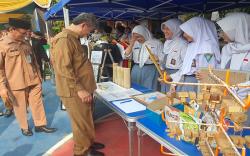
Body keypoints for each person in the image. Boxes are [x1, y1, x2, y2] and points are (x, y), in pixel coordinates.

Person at [51, 13, 105, 156]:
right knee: (80, 122)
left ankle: (88, 143)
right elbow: (64, 69)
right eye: (90, 30)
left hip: (81, 87)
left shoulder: (73, 39)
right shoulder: (64, 40)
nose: (89, 33)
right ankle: (82, 151)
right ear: (83, 25)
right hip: (74, 90)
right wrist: (80, 89)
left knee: (86, 118)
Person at [0, 18, 57, 136]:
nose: (26, 35)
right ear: (12, 29)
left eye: (27, 32)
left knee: (37, 103)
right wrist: (2, 87)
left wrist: (39, 75)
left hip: (33, 79)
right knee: (20, 107)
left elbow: (34, 60)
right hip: (16, 83)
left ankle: (40, 125)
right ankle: (24, 127)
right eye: (23, 32)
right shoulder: (2, 45)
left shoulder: (25, 42)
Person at [170, 17, 220, 92]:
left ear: (196, 30)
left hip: (197, 85)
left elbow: (208, 72)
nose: (184, 35)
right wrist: (174, 83)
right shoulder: (192, 45)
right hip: (186, 83)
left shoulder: (207, 48)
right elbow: (185, 69)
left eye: (186, 32)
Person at [124, 25, 163, 90]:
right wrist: (132, 43)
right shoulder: (135, 43)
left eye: (139, 36)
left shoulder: (157, 43)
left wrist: (158, 58)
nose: (137, 39)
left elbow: (163, 58)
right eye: (135, 37)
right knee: (135, 88)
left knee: (149, 88)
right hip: (136, 68)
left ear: (144, 34)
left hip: (150, 69)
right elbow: (125, 56)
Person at [160, 18, 187, 93]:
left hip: (177, 77)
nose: (165, 31)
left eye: (168, 29)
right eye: (164, 29)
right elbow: (164, 59)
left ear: (176, 30)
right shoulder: (167, 43)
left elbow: (185, 66)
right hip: (166, 74)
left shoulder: (183, 44)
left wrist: (173, 77)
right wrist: (162, 72)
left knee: (174, 100)